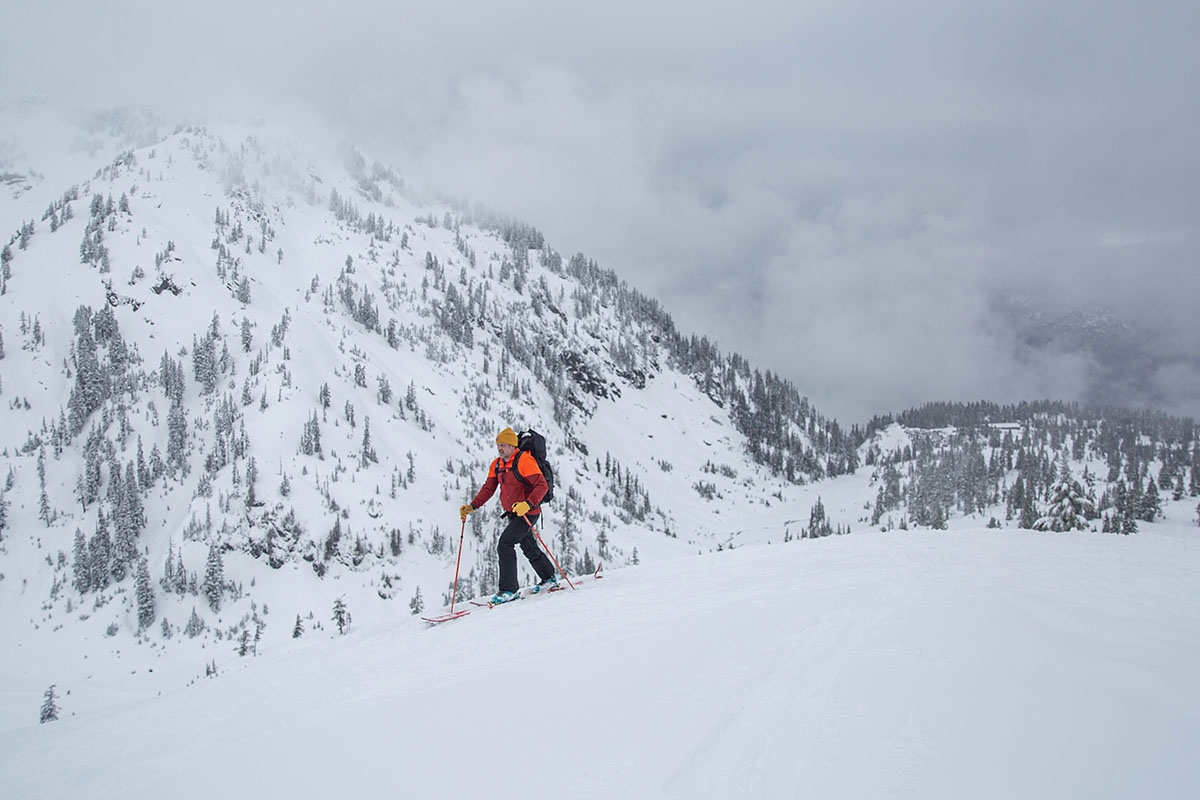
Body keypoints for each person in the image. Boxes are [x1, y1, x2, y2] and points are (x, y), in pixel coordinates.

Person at [460, 427, 559, 603]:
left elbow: (541, 486)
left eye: (504, 445)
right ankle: (549, 577)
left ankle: (509, 590)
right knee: (528, 545)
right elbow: (489, 488)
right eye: (498, 445)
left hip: (529, 511)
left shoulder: (524, 461)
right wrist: (472, 506)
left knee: (505, 544)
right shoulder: (497, 464)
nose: (500, 449)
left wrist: (527, 504)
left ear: (513, 446)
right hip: (514, 513)